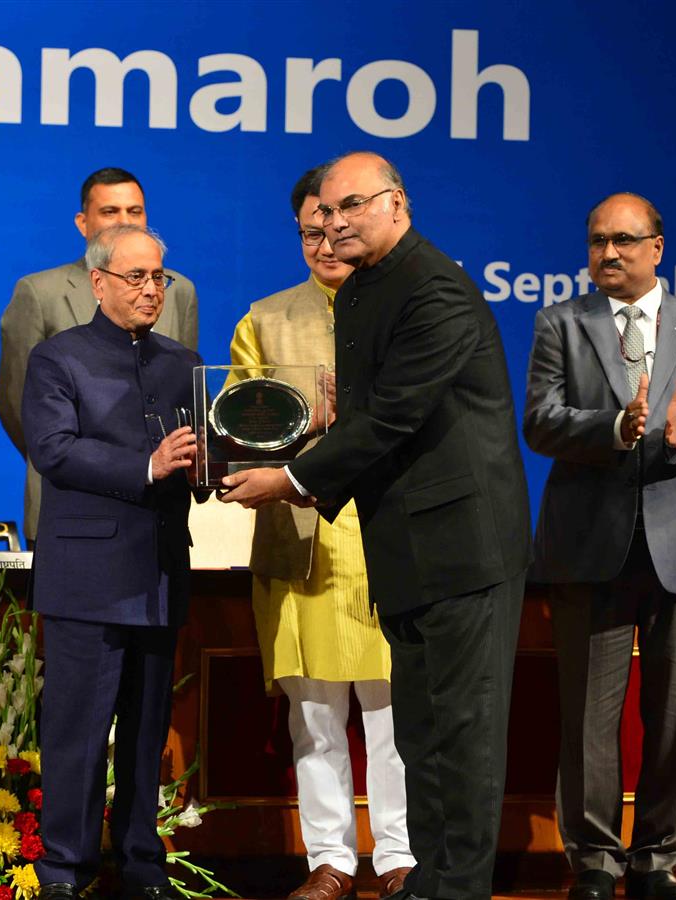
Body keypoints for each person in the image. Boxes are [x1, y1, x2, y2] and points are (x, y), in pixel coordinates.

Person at [220, 152, 530, 900]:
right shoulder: (364, 293)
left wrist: (293, 479)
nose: (334, 225)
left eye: (350, 206)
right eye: (324, 213)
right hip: (405, 545)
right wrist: (313, 425)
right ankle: (428, 881)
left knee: (460, 733)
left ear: (397, 203)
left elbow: (392, 415)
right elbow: (361, 413)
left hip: (464, 550)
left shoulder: (435, 290)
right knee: (422, 733)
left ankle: (457, 888)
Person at [522, 193, 676, 900]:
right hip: (590, 543)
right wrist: (617, 427)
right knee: (589, 714)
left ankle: (657, 862)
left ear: (657, 248)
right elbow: (540, 422)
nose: (608, 254)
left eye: (623, 241)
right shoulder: (560, 322)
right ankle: (593, 862)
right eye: (596, 241)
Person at [227, 166, 414, 900]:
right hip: (300, 539)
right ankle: (330, 861)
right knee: (313, 714)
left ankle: (398, 855)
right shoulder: (265, 319)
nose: (326, 241)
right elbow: (241, 430)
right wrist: (313, 419)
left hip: (383, 536)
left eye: (337, 224)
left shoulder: (404, 309)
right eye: (310, 229)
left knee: (394, 710)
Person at [22, 223, 201, 900]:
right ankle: (63, 870)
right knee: (76, 734)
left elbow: (202, 461)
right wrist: (146, 465)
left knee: (147, 733)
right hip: (87, 579)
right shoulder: (57, 358)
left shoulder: (184, 364)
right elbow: (54, 450)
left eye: (160, 277)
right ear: (98, 282)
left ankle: (141, 865)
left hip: (158, 573)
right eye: (137, 277)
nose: (152, 289)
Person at [0, 166, 200, 544]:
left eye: (134, 211)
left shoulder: (178, 289)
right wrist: (70, 455)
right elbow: (17, 403)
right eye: (110, 211)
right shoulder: (39, 292)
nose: (124, 221)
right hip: (74, 505)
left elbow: (183, 397)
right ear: (82, 221)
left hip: (160, 513)